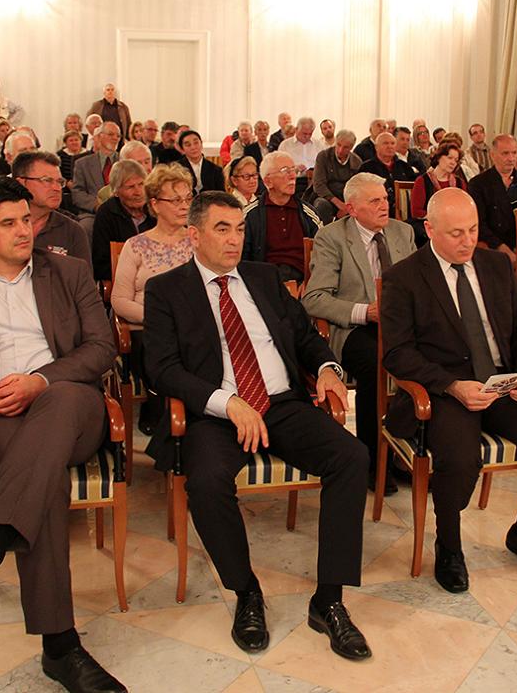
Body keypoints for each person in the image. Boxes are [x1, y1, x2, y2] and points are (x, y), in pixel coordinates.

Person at [143, 190, 372, 661]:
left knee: (351, 456)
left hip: (281, 403)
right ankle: (246, 591)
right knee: (206, 482)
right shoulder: (167, 290)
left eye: (240, 229)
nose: (234, 240)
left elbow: (306, 337)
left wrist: (327, 368)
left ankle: (329, 600)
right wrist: (227, 403)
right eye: (221, 229)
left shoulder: (264, 277)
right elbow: (162, 369)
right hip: (215, 413)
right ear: (194, 236)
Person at [0, 178, 124, 693]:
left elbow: (102, 348)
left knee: (58, 401)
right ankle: (60, 648)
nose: (24, 231)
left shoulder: (69, 272)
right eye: (8, 223)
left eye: (27, 220)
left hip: (72, 406)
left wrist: (41, 380)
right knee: (43, 483)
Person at [381, 188, 517, 590]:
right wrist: (452, 385)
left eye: (473, 230)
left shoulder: (495, 265)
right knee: (460, 461)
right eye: (456, 233)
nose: (468, 241)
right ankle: (449, 547)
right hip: (445, 390)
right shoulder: (404, 277)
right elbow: (398, 354)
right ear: (430, 229)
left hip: (503, 383)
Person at [303, 173, 415, 493]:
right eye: (374, 201)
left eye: (385, 198)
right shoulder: (332, 237)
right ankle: (373, 461)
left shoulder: (403, 232)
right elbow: (314, 298)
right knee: (377, 361)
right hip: (354, 327)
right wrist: (365, 312)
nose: (384, 205)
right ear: (352, 208)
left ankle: (405, 451)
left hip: (401, 325)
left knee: (437, 354)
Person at [110, 166, 195, 433]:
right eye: (176, 200)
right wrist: (158, 318)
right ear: (155, 204)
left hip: (191, 325)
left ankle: (182, 407)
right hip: (146, 328)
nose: (184, 206)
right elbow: (119, 299)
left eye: (188, 198)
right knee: (156, 342)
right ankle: (162, 404)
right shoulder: (135, 246)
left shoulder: (198, 242)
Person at [0, 150, 91, 266]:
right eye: (47, 180)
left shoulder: (73, 231)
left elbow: (83, 281)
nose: (56, 188)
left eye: (59, 182)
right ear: (22, 182)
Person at [468, 134, 517, 270]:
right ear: (493, 155)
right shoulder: (478, 184)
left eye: (514, 153)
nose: (511, 158)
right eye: (505, 153)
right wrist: (501, 247)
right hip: (492, 245)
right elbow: (479, 223)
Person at [242, 152, 322, 283]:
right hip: (264, 281)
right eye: (285, 171)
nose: (293, 176)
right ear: (268, 181)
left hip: (303, 281)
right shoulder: (250, 215)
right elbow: (242, 258)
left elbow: (324, 250)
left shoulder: (308, 213)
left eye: (293, 170)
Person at [71, 122, 122, 222]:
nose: (115, 138)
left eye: (118, 136)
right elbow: (77, 193)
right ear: (99, 137)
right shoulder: (82, 164)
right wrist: (97, 205)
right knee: (86, 226)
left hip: (122, 213)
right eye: (111, 134)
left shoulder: (125, 162)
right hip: (92, 214)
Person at [360, 132, 418, 217]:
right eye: (385, 143)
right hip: (376, 212)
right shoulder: (366, 168)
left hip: (404, 213)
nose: (390, 146)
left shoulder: (404, 166)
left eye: (392, 143)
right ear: (376, 147)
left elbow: (414, 188)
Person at [312, 129, 363, 222]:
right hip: (326, 197)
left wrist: (347, 207)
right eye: (338, 145)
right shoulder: (323, 156)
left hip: (347, 199)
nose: (340, 150)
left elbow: (357, 188)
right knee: (322, 205)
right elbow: (319, 185)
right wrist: (339, 204)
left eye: (345, 147)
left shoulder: (357, 162)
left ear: (351, 147)